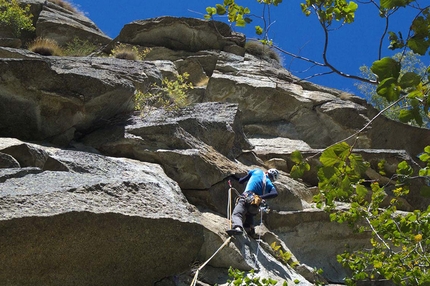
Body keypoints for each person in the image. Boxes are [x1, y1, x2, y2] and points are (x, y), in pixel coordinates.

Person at [227, 168, 279, 236]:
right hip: (256, 204)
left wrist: (231, 176)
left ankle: (238, 228)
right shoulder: (269, 183)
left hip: (247, 196)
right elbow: (275, 193)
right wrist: (260, 197)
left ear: (266, 172)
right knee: (249, 214)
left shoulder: (256, 171)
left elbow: (241, 181)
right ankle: (250, 230)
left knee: (237, 214)